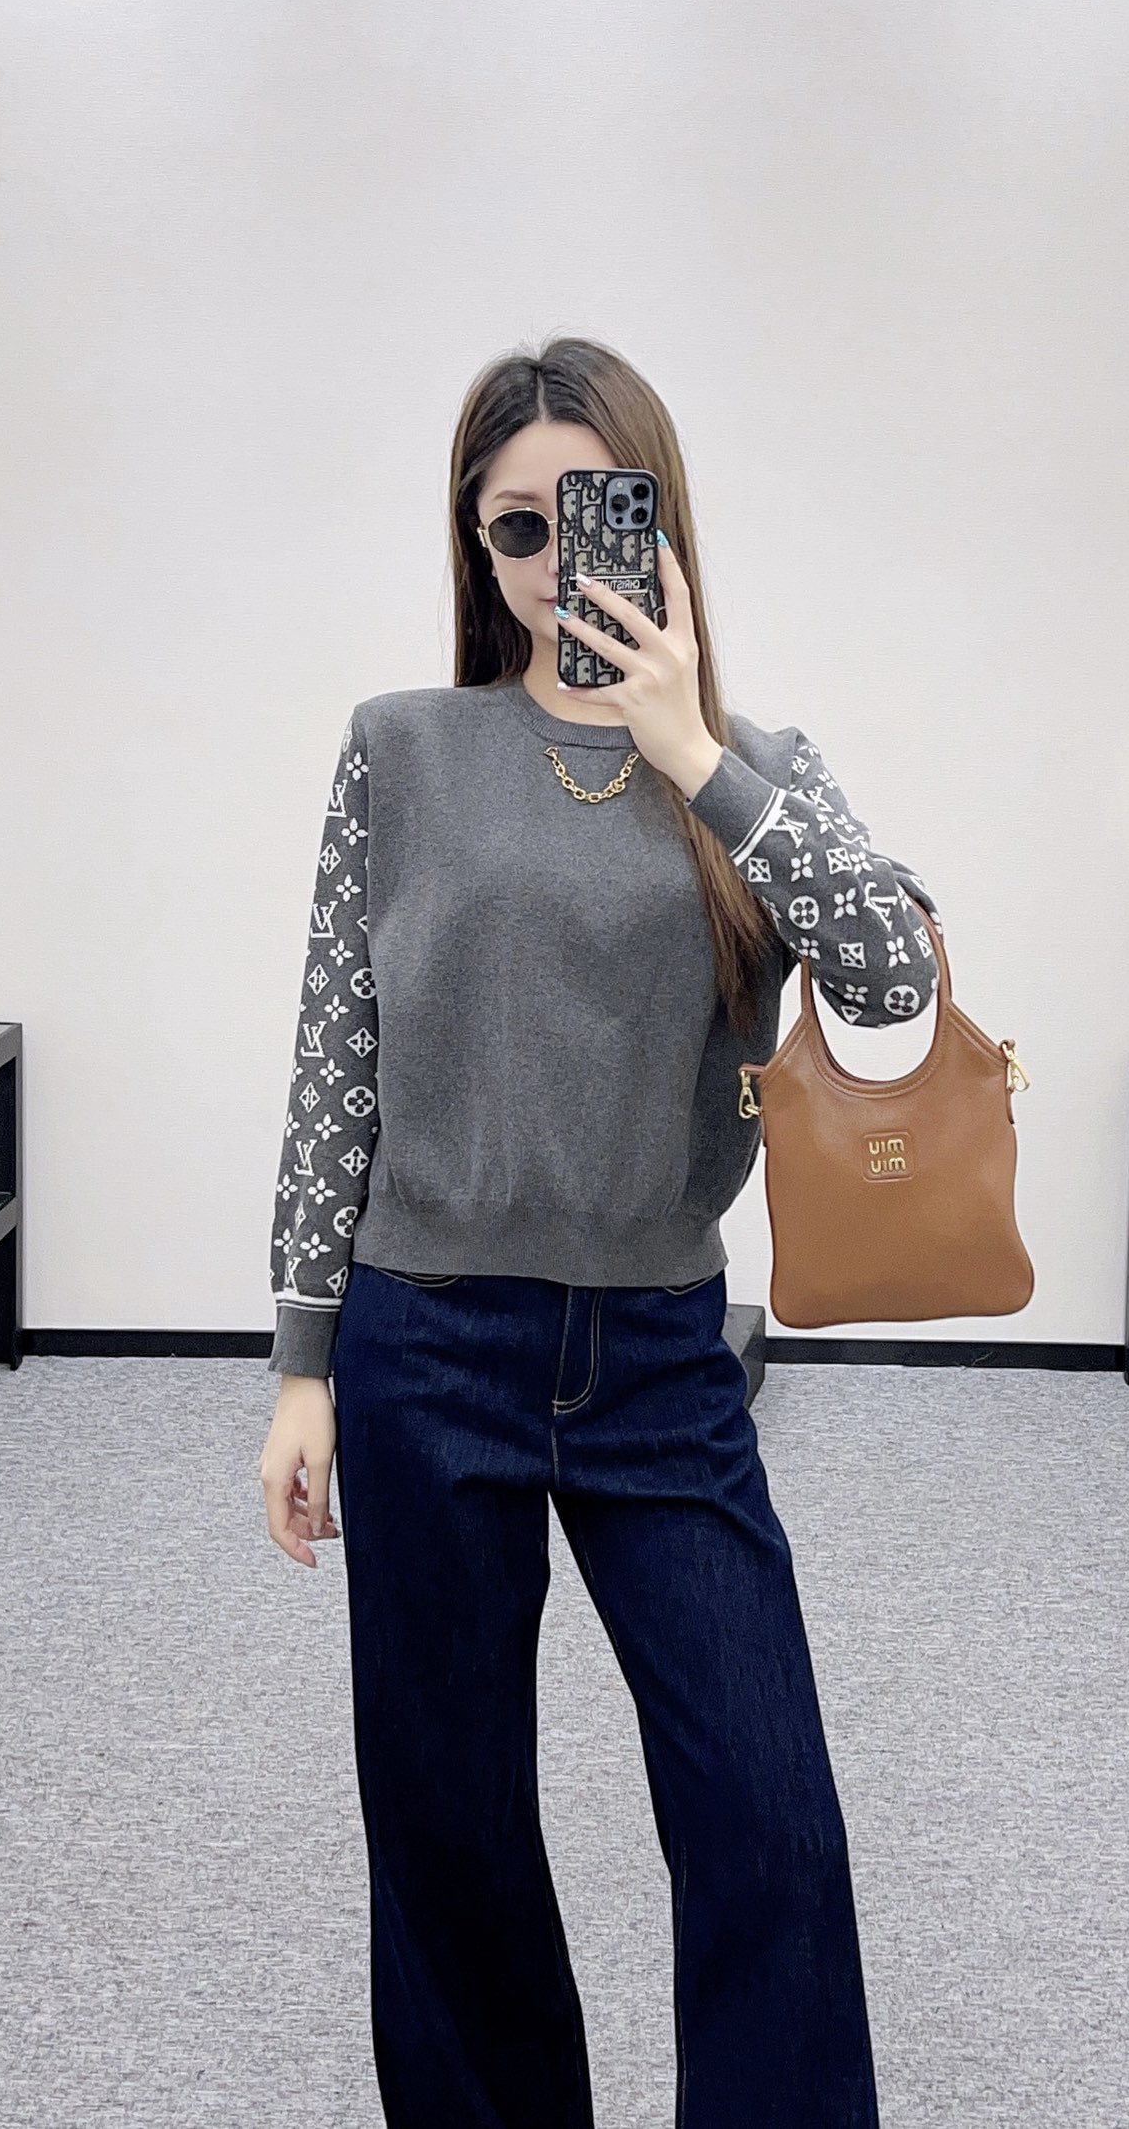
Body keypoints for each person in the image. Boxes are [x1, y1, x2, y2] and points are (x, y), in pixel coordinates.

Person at [258, 336, 941, 2129]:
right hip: (426, 1343)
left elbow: (894, 979)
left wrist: (691, 749)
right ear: (473, 549)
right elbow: (338, 1053)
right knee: (449, 1822)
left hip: (657, 1354)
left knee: (766, 1817)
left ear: (666, 524)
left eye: (597, 515)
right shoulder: (402, 750)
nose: (560, 563)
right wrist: (304, 1365)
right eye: (516, 528)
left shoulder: (754, 770)